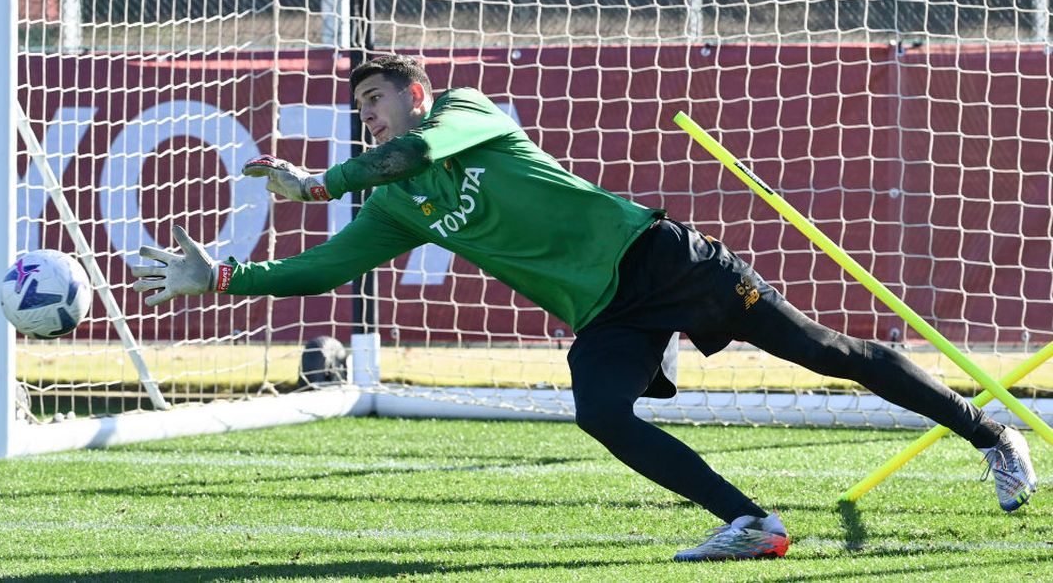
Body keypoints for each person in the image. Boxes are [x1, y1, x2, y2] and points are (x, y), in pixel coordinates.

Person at [132, 54, 1038, 562]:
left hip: (658, 257)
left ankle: (990, 435)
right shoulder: (393, 203)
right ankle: (753, 523)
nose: (369, 118)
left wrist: (314, 180)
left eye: (377, 101)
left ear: (415, 96)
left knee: (827, 354)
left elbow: (407, 156)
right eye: (359, 111)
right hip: (605, 314)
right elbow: (324, 270)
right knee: (600, 410)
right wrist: (224, 279)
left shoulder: (465, 112)